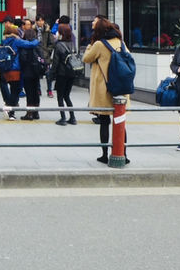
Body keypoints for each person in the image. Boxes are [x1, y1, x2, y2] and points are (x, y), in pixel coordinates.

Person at [82, 16, 130, 165]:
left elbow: (86, 58)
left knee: (104, 122)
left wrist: (90, 45)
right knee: (120, 121)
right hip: (120, 88)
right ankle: (123, 153)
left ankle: (104, 154)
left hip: (104, 89)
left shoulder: (99, 44)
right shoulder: (120, 43)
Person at [0, 22, 39, 120]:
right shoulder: (16, 41)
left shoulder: (4, 41)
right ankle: (10, 111)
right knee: (15, 91)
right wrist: (37, 41)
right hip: (15, 70)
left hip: (6, 69)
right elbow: (30, 44)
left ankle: (9, 108)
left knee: (12, 90)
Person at [49, 23, 78, 126]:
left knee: (60, 96)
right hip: (72, 73)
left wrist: (51, 74)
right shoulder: (72, 44)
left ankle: (63, 118)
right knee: (67, 96)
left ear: (61, 33)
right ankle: (73, 118)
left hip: (62, 74)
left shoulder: (59, 45)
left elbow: (56, 62)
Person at [19, 27, 43, 120]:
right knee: (35, 91)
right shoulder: (38, 44)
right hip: (36, 71)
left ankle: (29, 113)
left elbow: (23, 59)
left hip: (27, 72)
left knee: (29, 93)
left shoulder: (24, 46)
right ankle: (36, 112)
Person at [35, 14, 55, 98]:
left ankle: (49, 90)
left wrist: (48, 51)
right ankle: (38, 89)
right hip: (36, 55)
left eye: (42, 20)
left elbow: (52, 43)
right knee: (36, 74)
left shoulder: (47, 31)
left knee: (48, 74)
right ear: (36, 21)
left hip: (45, 55)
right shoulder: (33, 30)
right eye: (39, 20)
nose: (40, 22)